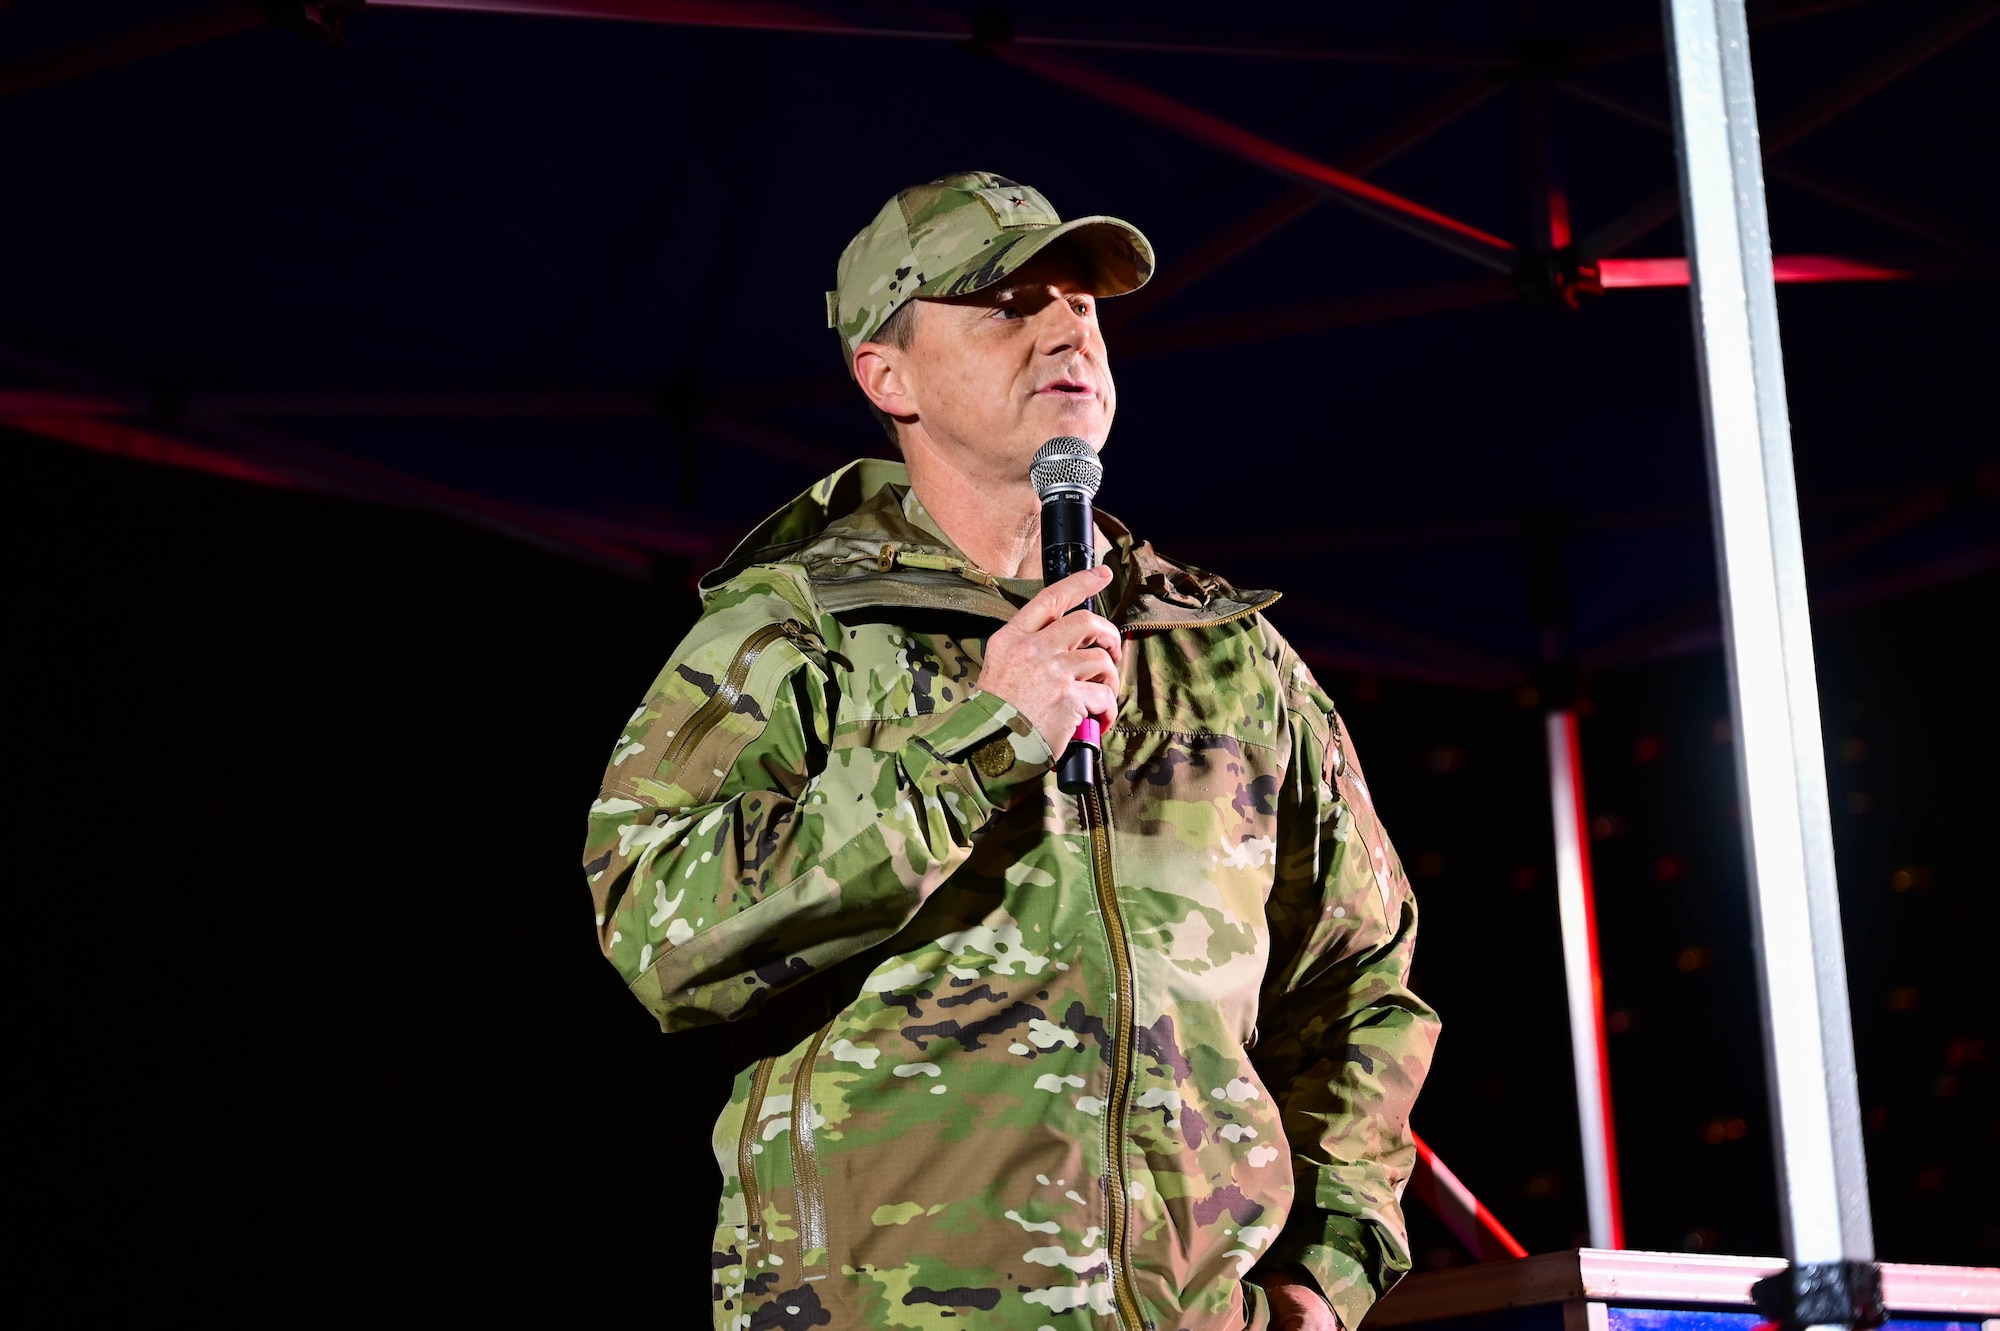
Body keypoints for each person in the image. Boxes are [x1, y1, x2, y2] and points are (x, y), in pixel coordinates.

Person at [582, 171, 1438, 1331]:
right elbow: (657, 932)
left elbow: (1357, 985)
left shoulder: (1231, 659)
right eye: (1004, 303)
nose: (1063, 331)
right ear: (886, 375)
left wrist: (1326, 1278)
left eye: (1080, 303)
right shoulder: (796, 630)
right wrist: (984, 735)